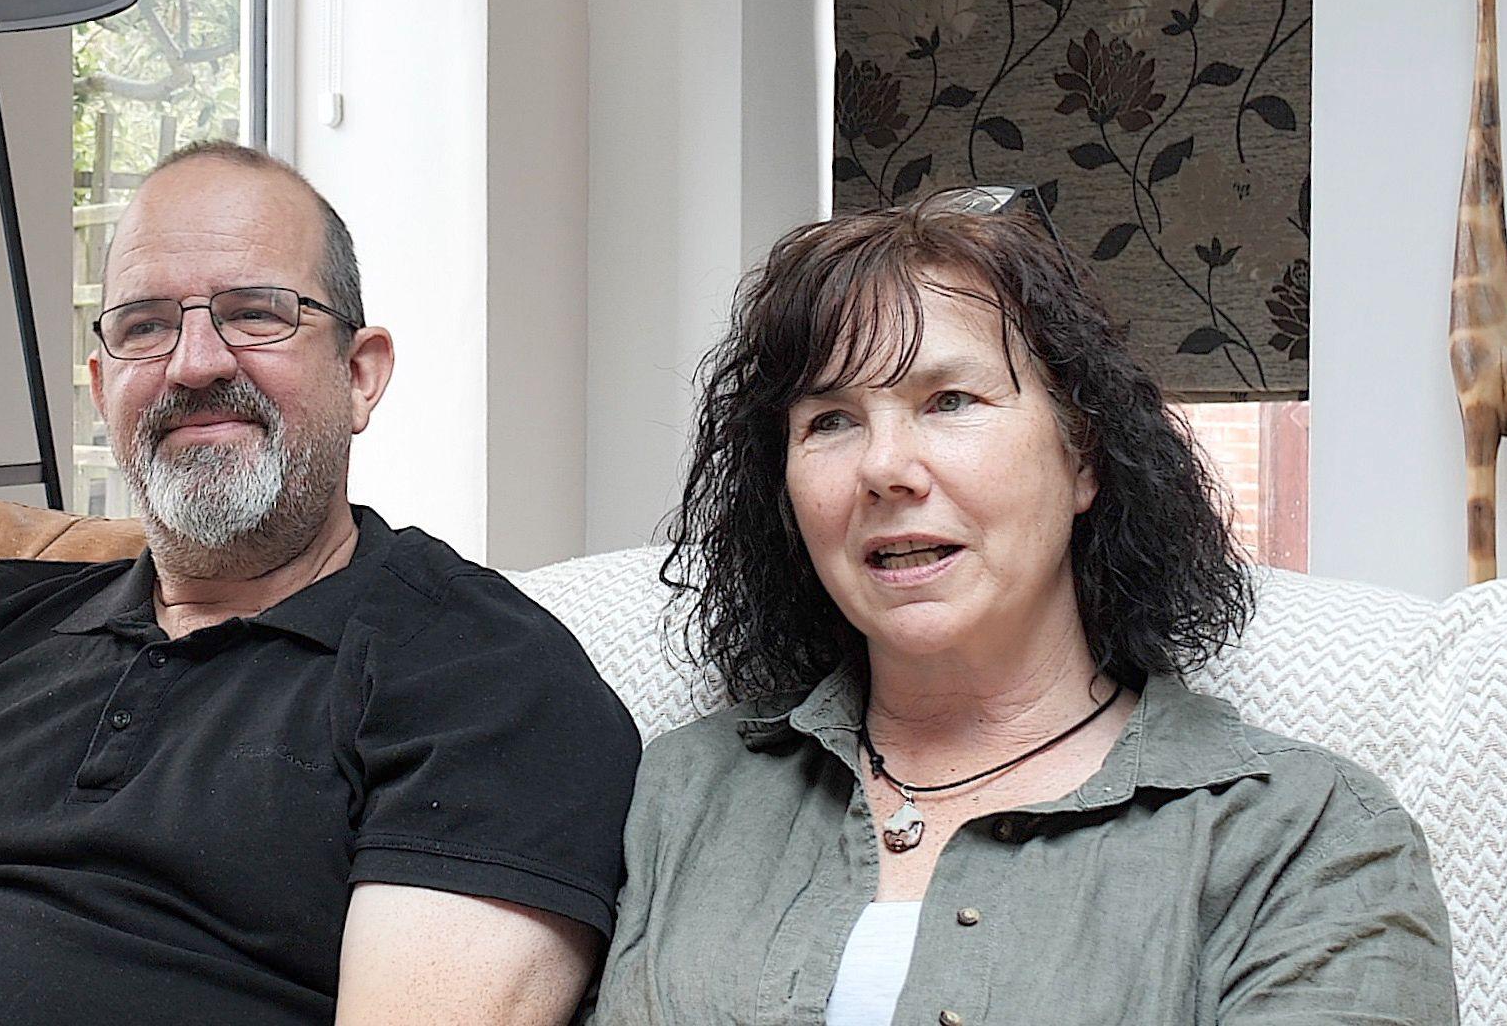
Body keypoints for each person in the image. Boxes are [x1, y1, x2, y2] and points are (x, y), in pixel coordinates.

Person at [0, 141, 641, 1026]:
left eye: (256, 312)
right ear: (104, 386)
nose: (195, 362)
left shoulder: (483, 674)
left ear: (360, 374)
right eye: (145, 324)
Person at [590, 188, 1457, 1024]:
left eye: (950, 401)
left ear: (1083, 458)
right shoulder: (676, 793)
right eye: (831, 420)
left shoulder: (1303, 836)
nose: (884, 467)